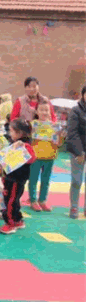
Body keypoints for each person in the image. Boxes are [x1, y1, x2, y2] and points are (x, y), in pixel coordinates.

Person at [0, 119, 36, 235]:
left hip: (17, 179)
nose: (10, 133)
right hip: (10, 177)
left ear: (19, 133)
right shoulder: (12, 142)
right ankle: (17, 219)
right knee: (12, 200)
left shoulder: (25, 144)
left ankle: (10, 223)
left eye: (11, 131)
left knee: (10, 201)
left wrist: (24, 146)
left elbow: (32, 158)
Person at [29, 102, 64, 212]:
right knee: (33, 179)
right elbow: (29, 139)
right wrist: (32, 131)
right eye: (42, 109)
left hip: (50, 156)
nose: (44, 112)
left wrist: (60, 135)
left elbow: (58, 143)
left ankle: (43, 200)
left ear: (50, 112)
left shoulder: (55, 126)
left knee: (46, 180)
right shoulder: (33, 124)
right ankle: (33, 200)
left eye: (46, 110)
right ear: (37, 112)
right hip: (36, 156)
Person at [67, 85, 86, 219]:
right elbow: (72, 133)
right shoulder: (75, 111)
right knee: (77, 181)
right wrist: (79, 152)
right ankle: (74, 206)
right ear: (83, 95)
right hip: (77, 150)